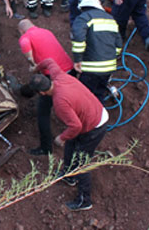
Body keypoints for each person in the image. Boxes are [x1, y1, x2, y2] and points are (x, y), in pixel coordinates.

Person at [28, 58, 109, 211]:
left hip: (95, 125)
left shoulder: (60, 103)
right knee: (71, 145)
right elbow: (49, 62)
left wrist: (61, 137)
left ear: (42, 93)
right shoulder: (59, 76)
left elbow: (76, 126)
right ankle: (69, 175)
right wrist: (36, 68)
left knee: (81, 161)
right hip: (91, 114)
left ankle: (84, 201)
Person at [16, 19, 74, 156]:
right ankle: (26, 92)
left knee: (43, 111)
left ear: (21, 31)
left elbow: (25, 46)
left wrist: (32, 63)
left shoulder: (25, 37)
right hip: (69, 70)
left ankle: (45, 147)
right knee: (39, 82)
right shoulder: (45, 31)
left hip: (54, 75)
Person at [72, 0, 123, 101]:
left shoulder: (83, 18)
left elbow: (78, 40)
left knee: (84, 98)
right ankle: (100, 116)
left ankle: (85, 117)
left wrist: (78, 60)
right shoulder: (110, 19)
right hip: (109, 68)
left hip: (91, 68)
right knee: (99, 96)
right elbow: (118, 44)